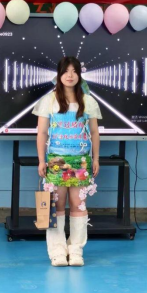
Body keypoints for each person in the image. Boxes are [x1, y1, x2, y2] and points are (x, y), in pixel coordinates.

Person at [33, 57, 101, 267]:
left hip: (81, 162)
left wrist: (96, 158)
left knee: (78, 204)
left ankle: (76, 249)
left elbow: (94, 133)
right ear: (59, 74)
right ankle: (57, 251)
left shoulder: (88, 101)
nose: (70, 75)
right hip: (56, 161)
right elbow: (42, 133)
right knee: (57, 205)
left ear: (79, 75)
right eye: (65, 71)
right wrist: (41, 160)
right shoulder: (49, 100)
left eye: (74, 71)